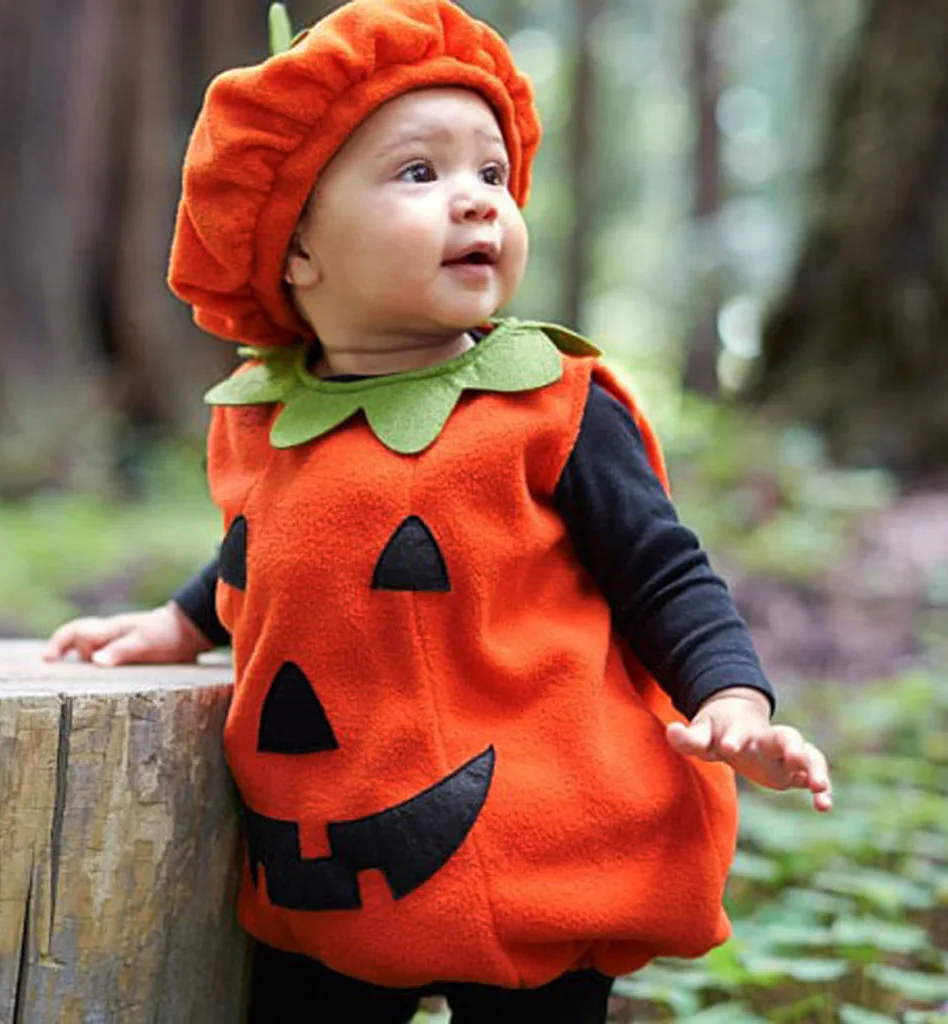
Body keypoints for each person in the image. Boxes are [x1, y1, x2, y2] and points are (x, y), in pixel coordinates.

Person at [44, 1, 832, 1020]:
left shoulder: (551, 404)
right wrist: (183, 620)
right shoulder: (267, 415)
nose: (476, 203)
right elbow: (266, 544)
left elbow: (663, 570)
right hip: (328, 840)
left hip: (535, 841)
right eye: (420, 172)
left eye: (492, 175)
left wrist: (732, 696)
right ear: (293, 249)